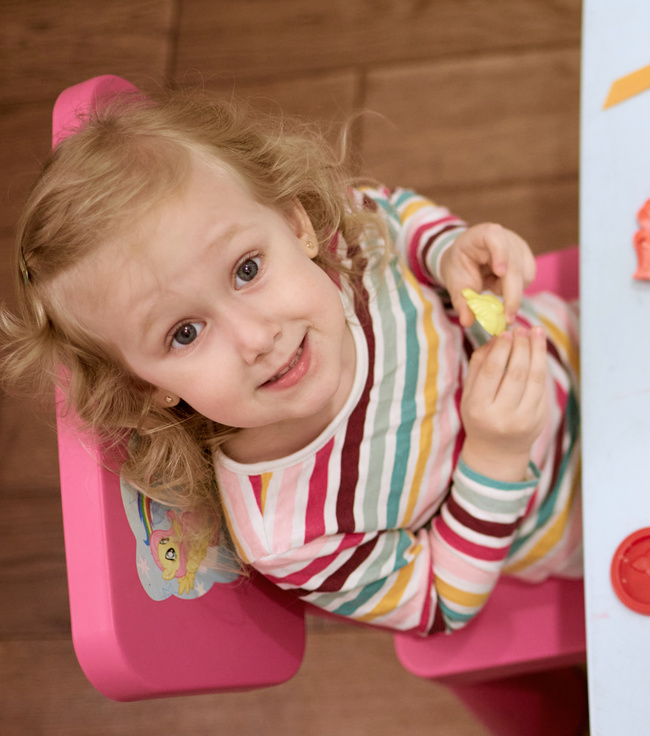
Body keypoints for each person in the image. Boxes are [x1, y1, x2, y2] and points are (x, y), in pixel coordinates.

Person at [0, 83, 581, 635]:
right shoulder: (290, 532)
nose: (256, 338)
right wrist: (495, 456)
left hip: (578, 341)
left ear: (296, 223)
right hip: (573, 505)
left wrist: (448, 248)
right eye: (184, 333)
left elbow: (392, 212)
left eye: (247, 270)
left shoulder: (343, 250)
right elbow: (439, 603)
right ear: (146, 386)